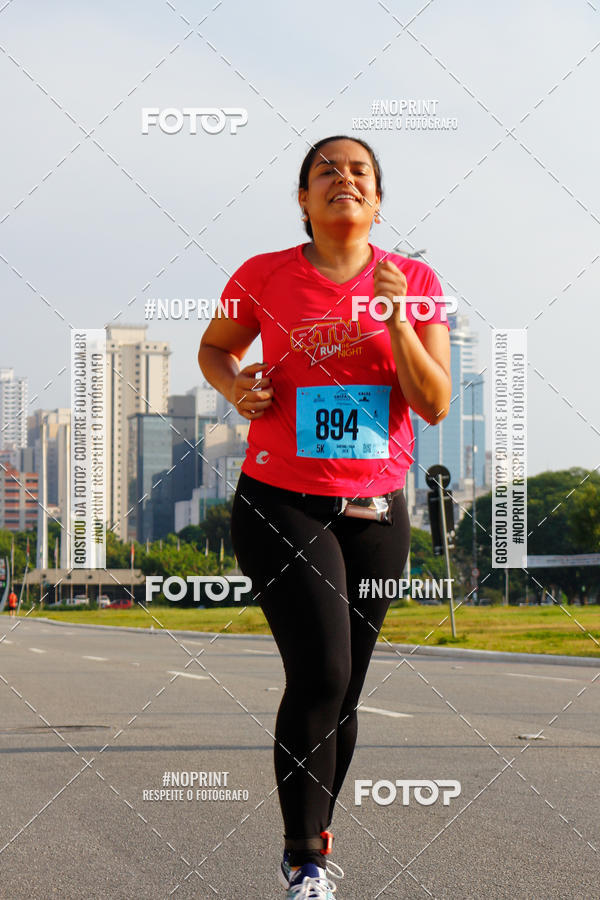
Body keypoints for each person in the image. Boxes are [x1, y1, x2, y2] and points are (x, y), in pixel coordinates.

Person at [198, 135, 451, 899]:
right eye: (325, 171)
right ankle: (305, 859)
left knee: (347, 689)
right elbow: (215, 349)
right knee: (322, 671)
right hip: (279, 498)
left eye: (359, 171)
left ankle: (317, 834)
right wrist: (236, 388)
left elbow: (434, 402)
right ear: (303, 200)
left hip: (375, 508)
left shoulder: (417, 279)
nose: (343, 178)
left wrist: (400, 318)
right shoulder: (264, 275)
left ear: (378, 199)